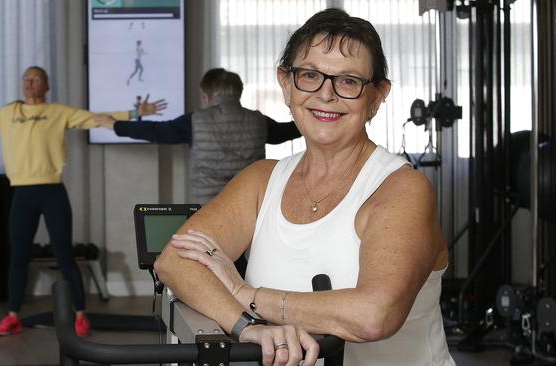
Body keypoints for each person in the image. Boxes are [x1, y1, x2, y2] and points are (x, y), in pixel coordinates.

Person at [153, 9, 455, 366]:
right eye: (310, 75)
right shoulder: (261, 180)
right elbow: (173, 261)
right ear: (286, 83)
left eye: (348, 81)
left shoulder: (402, 189)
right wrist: (245, 326)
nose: (326, 94)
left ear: (377, 96)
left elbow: (375, 314)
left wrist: (245, 293)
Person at [0, 66, 166, 338]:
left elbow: (97, 119)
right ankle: (13, 316)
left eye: (36, 79)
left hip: (52, 192)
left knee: (64, 257)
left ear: (47, 85)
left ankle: (80, 316)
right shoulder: (8, 113)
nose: (29, 83)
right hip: (22, 194)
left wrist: (136, 114)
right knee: (18, 257)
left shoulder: (58, 112)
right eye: (26, 79)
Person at [95, 68, 302, 205]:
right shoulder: (258, 121)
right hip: (251, 205)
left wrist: (115, 125)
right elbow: (287, 132)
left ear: (206, 95)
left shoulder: (194, 121)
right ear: (238, 92)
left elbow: (156, 131)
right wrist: (320, 121)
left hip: (206, 209)